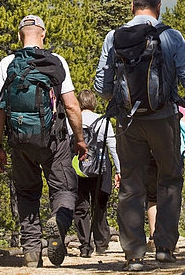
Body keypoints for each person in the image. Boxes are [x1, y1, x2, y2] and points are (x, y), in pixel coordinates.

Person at [95, 0, 185, 271]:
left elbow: (102, 88)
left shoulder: (114, 37)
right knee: (169, 178)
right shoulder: (171, 36)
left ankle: (133, 255)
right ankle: (165, 248)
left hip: (128, 122)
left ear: (133, 7)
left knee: (131, 185)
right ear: (159, 7)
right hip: (163, 118)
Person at [0, 15, 87, 268]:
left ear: (19, 35)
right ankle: (59, 221)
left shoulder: (7, 63)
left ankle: (32, 253)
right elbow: (72, 106)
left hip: (20, 142)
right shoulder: (56, 62)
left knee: (26, 195)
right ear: (43, 34)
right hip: (54, 141)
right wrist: (80, 140)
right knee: (64, 189)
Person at [70, 89, 121, 258]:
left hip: (78, 167)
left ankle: (85, 245)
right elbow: (113, 146)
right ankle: (101, 243)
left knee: (80, 207)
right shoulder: (103, 121)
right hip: (101, 168)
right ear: (93, 103)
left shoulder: (73, 120)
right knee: (100, 206)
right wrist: (120, 170)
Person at [146, 105, 185, 252]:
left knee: (153, 198)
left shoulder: (150, 105)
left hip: (150, 155)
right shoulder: (180, 110)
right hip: (173, 156)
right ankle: (168, 240)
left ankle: (153, 238)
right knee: (171, 196)